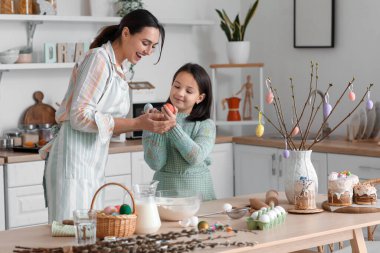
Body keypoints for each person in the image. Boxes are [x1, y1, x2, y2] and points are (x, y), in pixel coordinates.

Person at [40, 9, 176, 223]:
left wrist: (147, 117)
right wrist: (135, 123)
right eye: (145, 43)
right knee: (70, 233)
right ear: (126, 33)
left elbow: (105, 116)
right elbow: (79, 116)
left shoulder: (119, 68)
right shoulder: (99, 60)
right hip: (73, 160)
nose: (149, 51)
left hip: (92, 161)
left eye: (153, 46)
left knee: (89, 232)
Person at [142, 63, 216, 201]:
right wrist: (159, 126)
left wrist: (173, 127)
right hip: (164, 197)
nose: (180, 93)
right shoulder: (155, 118)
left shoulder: (206, 125)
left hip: (199, 198)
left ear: (200, 98)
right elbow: (155, 164)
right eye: (176, 86)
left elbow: (195, 157)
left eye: (189, 91)